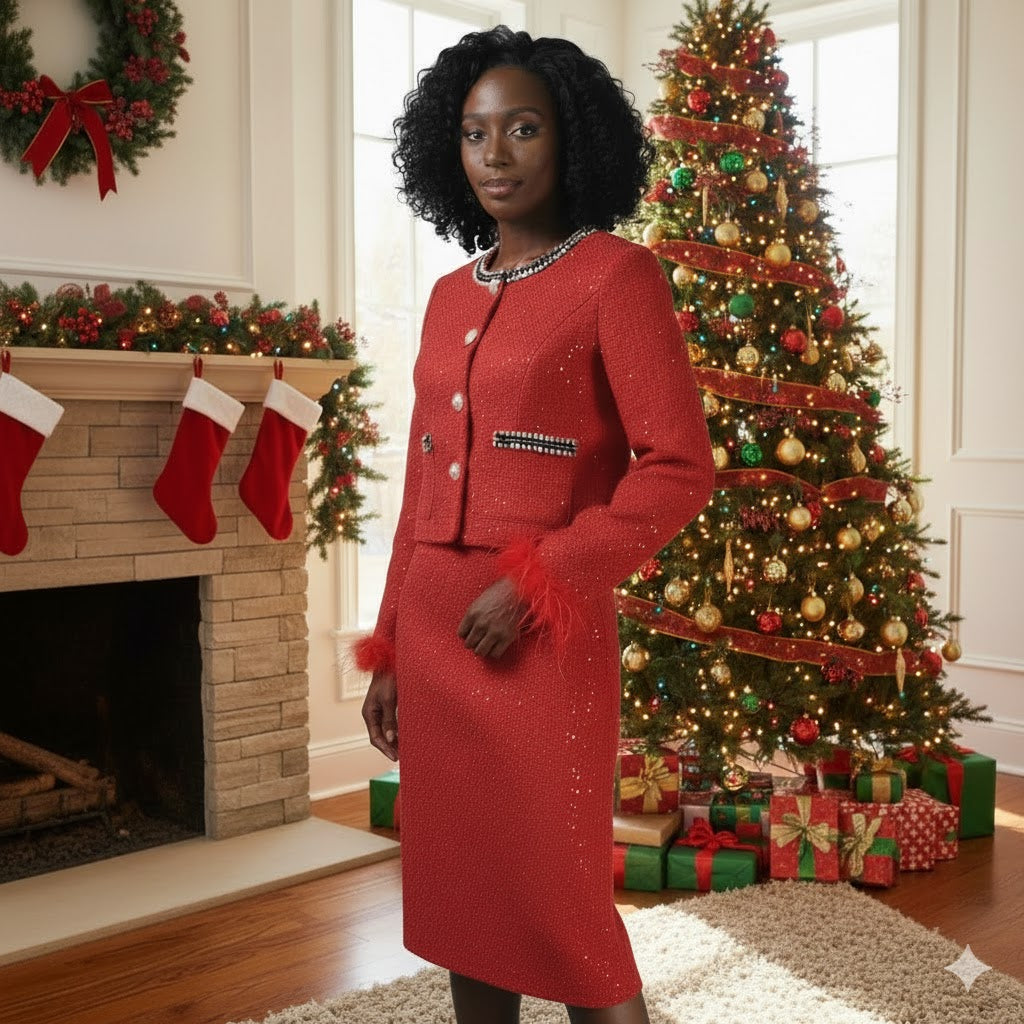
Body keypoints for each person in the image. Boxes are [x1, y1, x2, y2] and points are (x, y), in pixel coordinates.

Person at [354, 25, 714, 1024]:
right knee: (466, 903)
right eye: (474, 133)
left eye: (522, 127)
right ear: (447, 149)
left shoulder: (614, 276)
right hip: (434, 635)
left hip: (540, 637)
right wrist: (389, 650)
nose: (497, 154)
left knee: (562, 912)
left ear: (573, 137)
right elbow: (421, 494)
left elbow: (680, 468)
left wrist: (541, 576)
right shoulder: (442, 297)